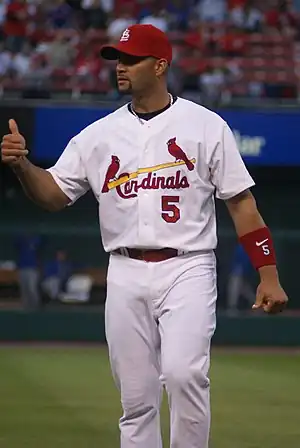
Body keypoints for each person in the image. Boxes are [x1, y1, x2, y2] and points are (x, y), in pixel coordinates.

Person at [0, 24, 288, 448]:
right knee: (136, 400)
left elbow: (242, 205)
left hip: (187, 264)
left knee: (184, 373)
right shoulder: (98, 136)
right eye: (118, 58)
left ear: (160, 65)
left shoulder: (205, 126)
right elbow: (54, 196)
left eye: (132, 59)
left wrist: (268, 273)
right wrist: (23, 166)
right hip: (125, 270)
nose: (121, 66)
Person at [226, 243, 255, 314]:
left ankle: (232, 307)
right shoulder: (240, 247)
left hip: (240, 272)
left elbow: (246, 262)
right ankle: (232, 307)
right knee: (240, 288)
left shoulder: (249, 248)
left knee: (239, 288)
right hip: (236, 272)